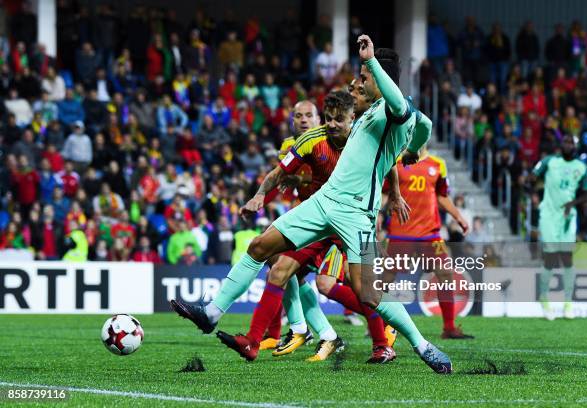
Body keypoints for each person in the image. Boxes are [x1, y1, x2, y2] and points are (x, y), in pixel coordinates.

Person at [171, 35, 449, 374]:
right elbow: (426, 125)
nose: (354, 83)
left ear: (379, 77)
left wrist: (372, 62)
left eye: (362, 78)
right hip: (324, 201)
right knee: (261, 246)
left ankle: (422, 345)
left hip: (358, 215)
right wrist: (414, 149)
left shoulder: (395, 112)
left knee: (368, 293)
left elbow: (409, 114)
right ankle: (211, 314)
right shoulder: (372, 112)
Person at [386, 147, 473, 339]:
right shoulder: (395, 162)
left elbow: (442, 196)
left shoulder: (437, 164)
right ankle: (375, 324)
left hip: (430, 233)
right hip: (401, 232)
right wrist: (375, 215)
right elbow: (386, 193)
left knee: (445, 272)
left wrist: (459, 217)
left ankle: (449, 327)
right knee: (387, 277)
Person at [532, 135, 587, 320]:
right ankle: (543, 298)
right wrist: (531, 190)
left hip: (568, 216)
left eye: (571, 142)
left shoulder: (583, 168)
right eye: (565, 142)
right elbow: (530, 177)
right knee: (550, 257)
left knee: (567, 259)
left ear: (576, 146)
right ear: (561, 145)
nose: (568, 145)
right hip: (549, 215)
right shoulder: (550, 162)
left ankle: (568, 303)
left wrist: (572, 203)